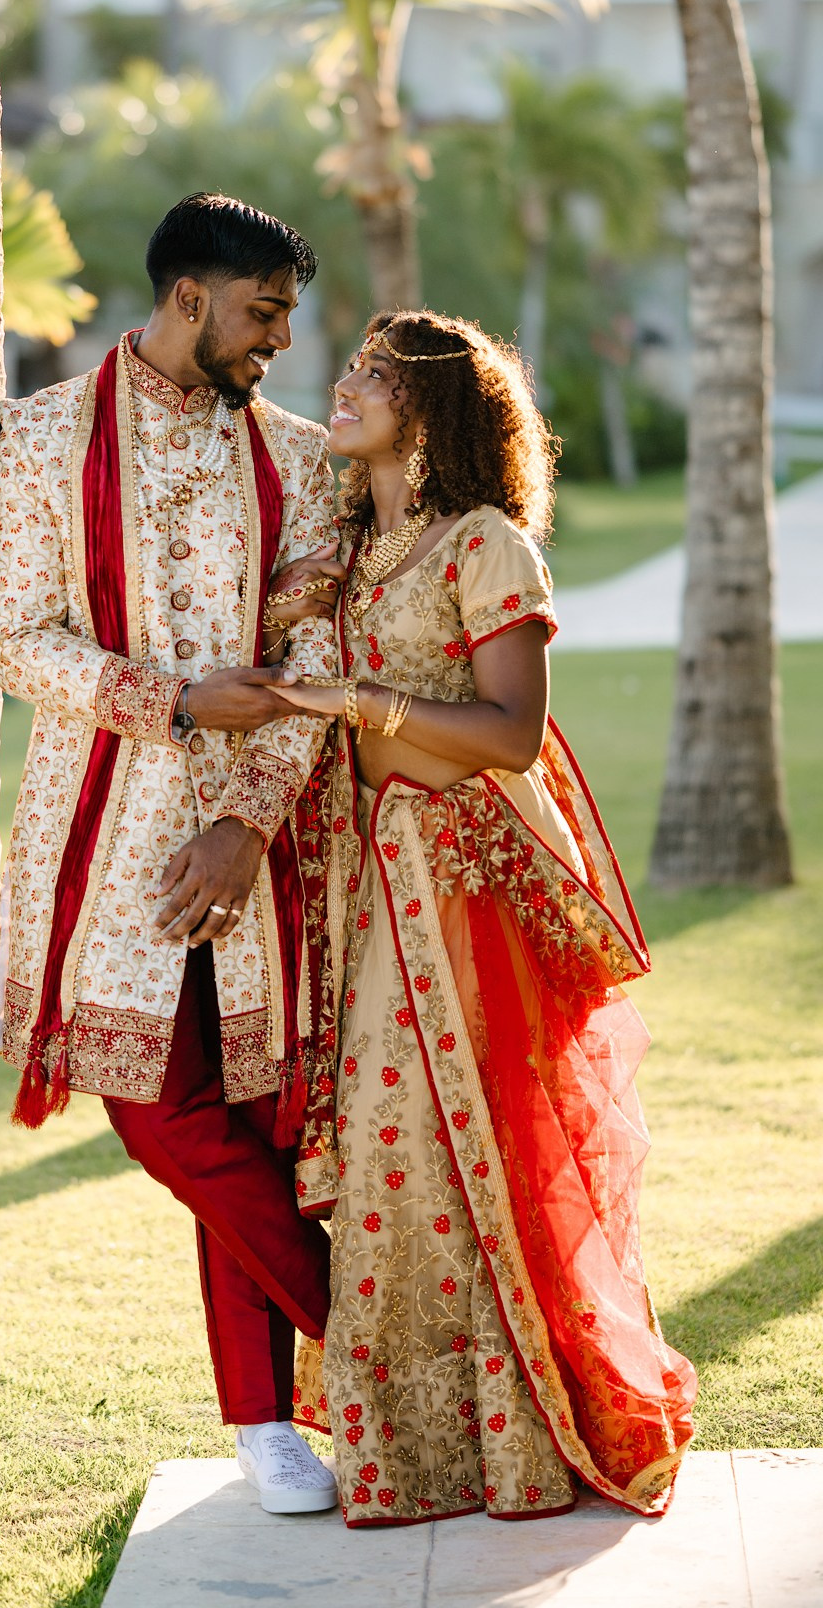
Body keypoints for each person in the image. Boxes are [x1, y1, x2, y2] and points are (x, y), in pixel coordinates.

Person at [276, 310, 697, 1526]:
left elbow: (510, 732)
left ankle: (513, 1436)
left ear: (434, 410)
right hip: (374, 884)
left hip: (463, 890)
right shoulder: (357, 546)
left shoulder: (484, 546)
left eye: (372, 377)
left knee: (471, 1148)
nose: (343, 387)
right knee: (385, 1154)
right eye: (348, 368)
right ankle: (413, 1443)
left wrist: (357, 701)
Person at [0, 193, 344, 1513]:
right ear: (191, 296)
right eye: (263, 315)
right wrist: (179, 701)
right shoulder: (39, 439)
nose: (278, 346)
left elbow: (318, 660)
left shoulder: (303, 461)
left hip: (265, 845)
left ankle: (266, 1429)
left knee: (260, 1116)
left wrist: (244, 822)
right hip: (104, 837)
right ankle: (369, 1344)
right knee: (161, 1115)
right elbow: (17, 638)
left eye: (289, 321)